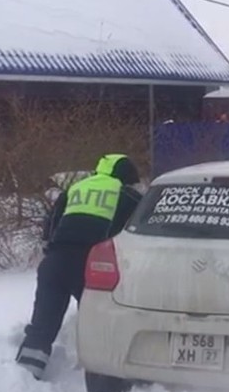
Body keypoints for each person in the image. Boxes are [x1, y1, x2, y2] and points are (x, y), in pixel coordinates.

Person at [16, 154, 143, 379]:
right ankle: (103, 388)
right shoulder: (127, 195)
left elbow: (50, 227)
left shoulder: (76, 188)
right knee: (100, 326)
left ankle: (24, 378)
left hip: (55, 263)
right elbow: (138, 234)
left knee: (42, 326)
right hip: (93, 266)